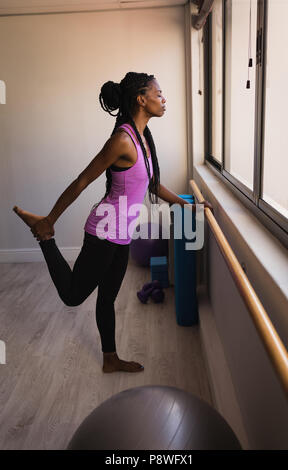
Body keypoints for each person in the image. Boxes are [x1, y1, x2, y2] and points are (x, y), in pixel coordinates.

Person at [13, 71, 213, 373]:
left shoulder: (142, 138)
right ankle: (44, 234)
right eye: (158, 93)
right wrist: (51, 219)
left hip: (121, 236)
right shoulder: (121, 140)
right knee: (72, 296)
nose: (163, 98)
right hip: (103, 233)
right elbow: (82, 180)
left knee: (107, 298)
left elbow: (153, 186)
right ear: (140, 99)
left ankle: (110, 359)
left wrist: (190, 203)